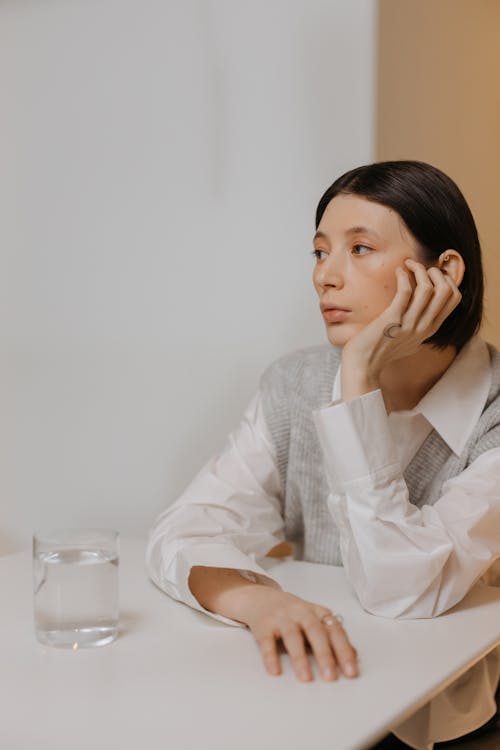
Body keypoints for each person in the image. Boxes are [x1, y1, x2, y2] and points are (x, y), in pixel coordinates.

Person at [146, 161, 500, 749]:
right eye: (319, 252)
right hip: (306, 694)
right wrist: (255, 599)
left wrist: (359, 374)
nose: (326, 277)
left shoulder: (492, 414)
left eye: (360, 249)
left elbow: (402, 591)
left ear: (444, 272)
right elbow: (183, 528)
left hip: (451, 723)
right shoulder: (295, 383)